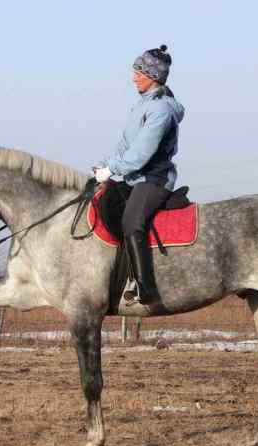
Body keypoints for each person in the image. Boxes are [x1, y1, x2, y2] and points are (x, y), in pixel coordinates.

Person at [93, 44, 185, 306]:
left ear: (153, 76)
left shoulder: (161, 110)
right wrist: (103, 166)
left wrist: (113, 170)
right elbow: (125, 146)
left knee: (132, 222)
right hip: (135, 178)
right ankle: (120, 275)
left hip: (154, 180)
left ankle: (146, 287)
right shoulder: (141, 106)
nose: (134, 77)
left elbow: (140, 154)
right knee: (104, 204)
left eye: (139, 73)